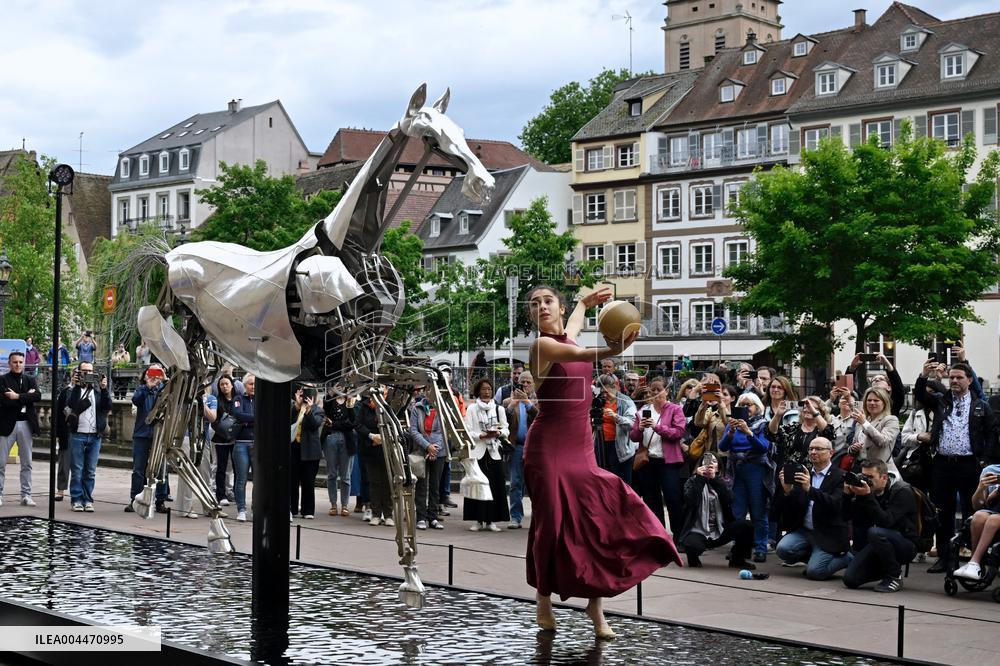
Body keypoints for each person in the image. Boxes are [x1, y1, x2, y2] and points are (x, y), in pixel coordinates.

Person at [525, 285, 680, 639]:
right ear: (531, 314)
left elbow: (575, 328)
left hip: (579, 445)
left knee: (595, 523)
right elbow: (582, 352)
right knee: (551, 525)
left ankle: (596, 607)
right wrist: (615, 346)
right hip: (547, 447)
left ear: (559, 308)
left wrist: (584, 302)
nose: (541, 307)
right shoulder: (541, 347)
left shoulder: (568, 337)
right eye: (535, 304)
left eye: (548, 301)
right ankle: (543, 598)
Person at [914, 360, 996, 573]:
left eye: (959, 377)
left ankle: (972, 555)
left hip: (969, 464)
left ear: (969, 380)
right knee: (942, 512)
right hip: (942, 464)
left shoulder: (980, 405)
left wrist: (984, 461)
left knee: (971, 509)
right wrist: (924, 375)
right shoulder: (941, 401)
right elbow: (921, 395)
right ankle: (944, 557)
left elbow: (991, 435)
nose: (954, 381)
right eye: (951, 377)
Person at [773, 437, 851, 580]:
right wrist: (788, 491)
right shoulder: (803, 473)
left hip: (827, 533)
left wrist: (810, 489)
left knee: (815, 573)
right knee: (783, 549)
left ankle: (846, 559)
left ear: (831, 453)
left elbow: (836, 505)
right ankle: (815, 558)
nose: (813, 452)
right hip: (805, 531)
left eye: (819, 449)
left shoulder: (840, 476)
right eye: (811, 449)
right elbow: (791, 510)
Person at [842, 459, 918, 593]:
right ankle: (885, 570)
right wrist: (847, 496)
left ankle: (894, 576)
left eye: (870, 477)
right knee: (850, 579)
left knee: (876, 532)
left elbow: (887, 522)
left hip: (905, 544)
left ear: (884, 477)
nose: (866, 481)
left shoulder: (902, 491)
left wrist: (867, 496)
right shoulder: (867, 492)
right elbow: (846, 517)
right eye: (864, 476)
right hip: (877, 544)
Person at [719, 391, 772, 562]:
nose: (745, 408)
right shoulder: (732, 424)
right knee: (737, 511)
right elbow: (723, 447)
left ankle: (760, 548)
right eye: (742, 405)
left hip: (755, 469)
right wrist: (731, 434)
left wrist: (748, 432)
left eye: (749, 405)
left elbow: (763, 447)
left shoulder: (763, 424)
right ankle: (738, 547)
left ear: (758, 408)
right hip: (736, 469)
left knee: (758, 511)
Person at [678, 452, 755, 570]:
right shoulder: (692, 481)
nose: (710, 464)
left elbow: (729, 499)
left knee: (746, 526)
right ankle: (693, 559)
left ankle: (737, 559)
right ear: (700, 465)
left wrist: (714, 480)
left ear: (718, 467)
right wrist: (700, 478)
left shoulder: (723, 481)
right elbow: (691, 501)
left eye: (714, 462)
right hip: (698, 530)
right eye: (707, 461)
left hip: (720, 530)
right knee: (692, 545)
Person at [629, 377, 687, 533]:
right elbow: (633, 437)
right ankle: (658, 533)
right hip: (647, 462)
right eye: (652, 390)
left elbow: (679, 432)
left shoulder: (675, 409)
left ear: (666, 391)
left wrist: (657, 427)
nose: (655, 393)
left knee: (673, 498)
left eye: (659, 389)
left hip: (667, 463)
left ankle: (678, 534)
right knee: (651, 500)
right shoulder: (642, 411)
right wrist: (640, 428)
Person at [463, 377, 511, 532]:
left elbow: (505, 428)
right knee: (477, 485)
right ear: (478, 391)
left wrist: (498, 433)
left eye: (489, 389)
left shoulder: (498, 409)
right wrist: (481, 436)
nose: (486, 392)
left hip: (494, 451)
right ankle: (478, 520)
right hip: (478, 451)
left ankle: (491, 520)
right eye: (484, 389)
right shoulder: (472, 409)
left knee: (495, 486)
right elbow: (468, 430)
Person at [66, 362, 112, 512]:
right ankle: (76, 499)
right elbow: (71, 404)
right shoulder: (75, 389)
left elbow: (107, 406)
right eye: (84, 371)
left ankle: (87, 499)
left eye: (90, 371)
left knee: (90, 471)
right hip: (78, 433)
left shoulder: (98, 390)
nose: (87, 374)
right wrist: (77, 385)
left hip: (95, 435)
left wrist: (104, 388)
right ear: (79, 372)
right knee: (77, 469)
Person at [126, 364, 169, 514]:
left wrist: (164, 380)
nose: (154, 375)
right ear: (145, 375)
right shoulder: (141, 389)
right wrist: (148, 386)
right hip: (142, 434)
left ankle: (160, 500)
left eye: (157, 372)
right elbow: (136, 400)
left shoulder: (165, 389)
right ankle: (134, 499)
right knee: (138, 469)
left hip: (160, 435)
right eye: (151, 372)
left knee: (161, 469)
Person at [0, 352, 41, 507]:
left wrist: (17, 396)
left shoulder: (30, 379)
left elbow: (37, 396)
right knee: (1, 462)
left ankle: (26, 495)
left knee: (27, 462)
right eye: (15, 362)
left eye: (20, 362)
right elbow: (4, 401)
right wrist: (25, 397)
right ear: (9, 363)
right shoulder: (3, 380)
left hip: (26, 424)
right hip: (6, 425)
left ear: (24, 363)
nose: (18, 365)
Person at [408, 386, 447, 530]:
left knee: (435, 485)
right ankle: (421, 517)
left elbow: (445, 430)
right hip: (421, 451)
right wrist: (427, 446)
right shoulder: (417, 408)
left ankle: (433, 517)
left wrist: (434, 448)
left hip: (438, 452)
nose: (431, 392)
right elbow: (413, 430)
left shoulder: (443, 408)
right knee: (421, 485)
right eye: (429, 389)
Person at [953, 466, 1000, 580]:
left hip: (995, 517)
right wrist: (980, 488)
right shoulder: (991, 470)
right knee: (979, 515)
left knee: (993, 519)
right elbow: (977, 505)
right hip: (993, 512)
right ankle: (975, 564)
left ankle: (975, 560)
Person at [504, 370, 537, 528]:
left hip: (534, 449)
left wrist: (527, 403)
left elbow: (540, 417)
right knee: (515, 483)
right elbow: (502, 418)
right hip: (516, 447)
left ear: (533, 384)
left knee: (536, 483)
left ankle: (537, 517)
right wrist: (513, 404)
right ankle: (515, 517)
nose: (524, 385)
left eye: (528, 382)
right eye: (522, 382)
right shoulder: (508, 401)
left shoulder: (538, 401)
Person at [357, 388, 393, 526]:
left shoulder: (389, 406)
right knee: (374, 482)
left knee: (387, 482)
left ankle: (388, 514)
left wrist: (383, 438)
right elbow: (358, 424)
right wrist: (371, 436)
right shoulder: (365, 406)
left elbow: (393, 424)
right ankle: (376, 513)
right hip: (370, 448)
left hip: (386, 449)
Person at [595, 374, 638, 484]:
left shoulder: (625, 401)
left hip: (620, 447)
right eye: (602, 393)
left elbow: (632, 423)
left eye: (608, 392)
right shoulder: (597, 401)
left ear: (615, 387)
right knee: (603, 481)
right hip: (599, 445)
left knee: (622, 482)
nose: (605, 396)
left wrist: (616, 417)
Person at [848, 387, 900, 476]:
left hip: (879, 471)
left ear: (884, 403)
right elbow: (852, 446)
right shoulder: (861, 421)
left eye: (876, 400)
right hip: (859, 467)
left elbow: (883, 441)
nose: (872, 403)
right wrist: (853, 449)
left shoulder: (891, 420)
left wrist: (865, 423)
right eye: (869, 400)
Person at [290, 386, 324, 520]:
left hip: (310, 451)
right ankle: (292, 508)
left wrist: (308, 410)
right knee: (292, 481)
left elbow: (314, 425)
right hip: (295, 448)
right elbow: (289, 421)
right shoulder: (295, 409)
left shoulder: (318, 410)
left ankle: (308, 509)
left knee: (308, 481)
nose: (306, 397)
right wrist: (297, 405)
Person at [322, 384, 355, 517]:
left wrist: (334, 424)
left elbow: (352, 422)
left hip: (346, 439)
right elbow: (325, 408)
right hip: (331, 438)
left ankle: (345, 505)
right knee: (332, 474)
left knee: (345, 475)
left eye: (343, 386)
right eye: (339, 386)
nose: (341, 388)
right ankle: (333, 504)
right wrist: (331, 392)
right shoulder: (331, 401)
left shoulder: (350, 402)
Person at [209, 375, 239, 507]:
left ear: (232, 385)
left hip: (236, 438)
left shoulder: (238, 400)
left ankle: (237, 494)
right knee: (221, 467)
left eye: (227, 383)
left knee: (237, 468)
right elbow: (214, 421)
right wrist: (224, 430)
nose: (224, 386)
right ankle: (220, 495)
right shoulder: (217, 400)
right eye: (222, 384)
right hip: (221, 438)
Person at [230, 373, 255, 521]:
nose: (253, 387)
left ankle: (255, 509)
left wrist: (248, 420)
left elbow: (265, 415)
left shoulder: (261, 399)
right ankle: (241, 509)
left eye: (255, 384)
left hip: (257, 444)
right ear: (245, 385)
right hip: (241, 444)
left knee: (258, 480)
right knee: (241, 479)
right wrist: (255, 419)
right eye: (251, 384)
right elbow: (238, 414)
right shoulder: (238, 399)